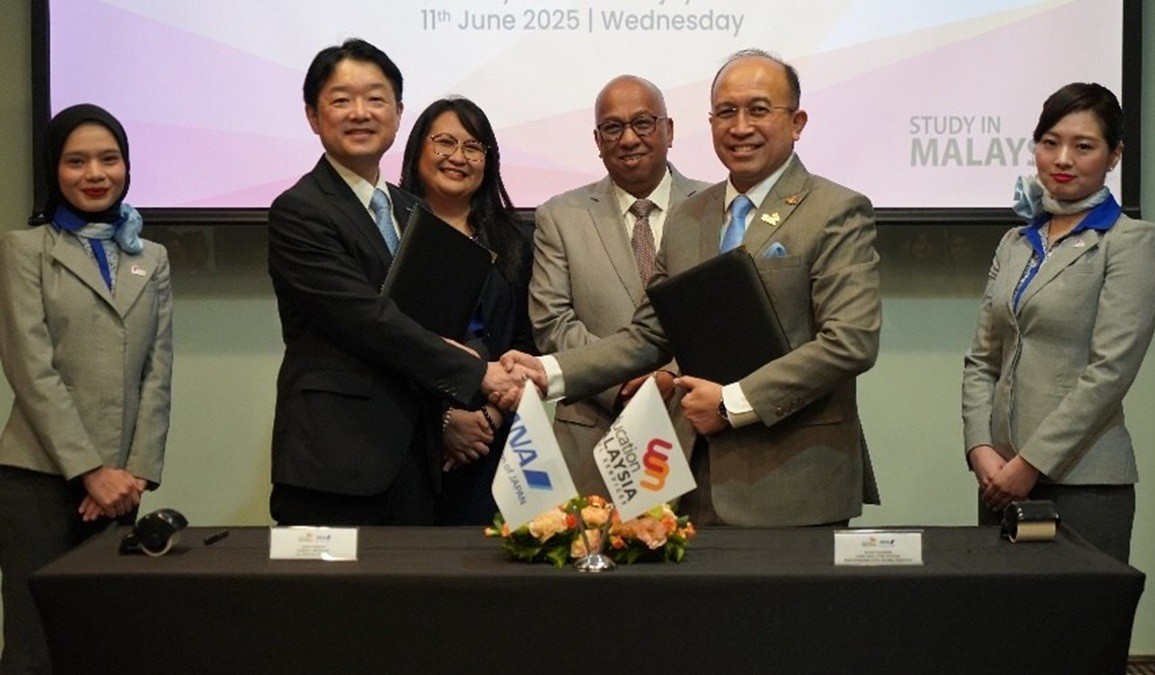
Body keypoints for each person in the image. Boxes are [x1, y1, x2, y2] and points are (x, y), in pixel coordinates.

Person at [503, 49, 882, 527]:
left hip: (795, 485)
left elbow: (850, 342)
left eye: (758, 109)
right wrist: (548, 372)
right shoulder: (690, 217)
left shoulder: (836, 210)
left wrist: (732, 403)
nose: (740, 126)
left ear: (797, 121)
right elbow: (647, 336)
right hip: (693, 484)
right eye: (726, 112)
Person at [267, 39, 529, 527]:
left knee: (413, 602)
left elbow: (441, 312)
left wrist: (483, 357)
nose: (360, 112)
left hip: (416, 460)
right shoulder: (299, 210)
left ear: (398, 112)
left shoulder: (410, 210)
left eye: (376, 98)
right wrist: (478, 374)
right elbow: (369, 319)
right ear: (312, 114)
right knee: (328, 603)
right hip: (335, 464)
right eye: (342, 99)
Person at [0, 104, 173, 673]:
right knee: (37, 645)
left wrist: (136, 471)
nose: (95, 173)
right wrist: (90, 471)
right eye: (76, 161)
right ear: (55, 169)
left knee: (109, 639)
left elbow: (158, 369)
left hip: (123, 483)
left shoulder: (152, 257)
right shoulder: (25, 251)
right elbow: (32, 372)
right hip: (39, 477)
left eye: (109, 159)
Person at [961, 83, 1155, 563]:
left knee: (1081, 632)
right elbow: (982, 360)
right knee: (1003, 629)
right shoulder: (1015, 243)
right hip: (1000, 480)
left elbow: (1109, 372)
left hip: (1085, 481)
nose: (1062, 159)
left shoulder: (1130, 242)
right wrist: (980, 448)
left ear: (1114, 156)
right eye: (1050, 142)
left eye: (1083, 146)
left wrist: (1031, 463)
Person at [529, 75, 708, 496]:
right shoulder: (559, 216)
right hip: (596, 430)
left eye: (643, 123)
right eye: (613, 128)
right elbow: (552, 323)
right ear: (597, 139)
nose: (629, 138)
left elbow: (725, 320)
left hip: (695, 429)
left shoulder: (714, 206)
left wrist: (668, 376)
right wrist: (619, 382)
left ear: (669, 130)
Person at [398, 97, 536, 525]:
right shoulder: (389, 231)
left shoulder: (514, 239)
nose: (458, 157)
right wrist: (443, 422)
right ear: (419, 148)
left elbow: (525, 342)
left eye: (473, 147)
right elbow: (381, 338)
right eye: (444, 142)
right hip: (406, 440)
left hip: (497, 443)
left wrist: (488, 420)